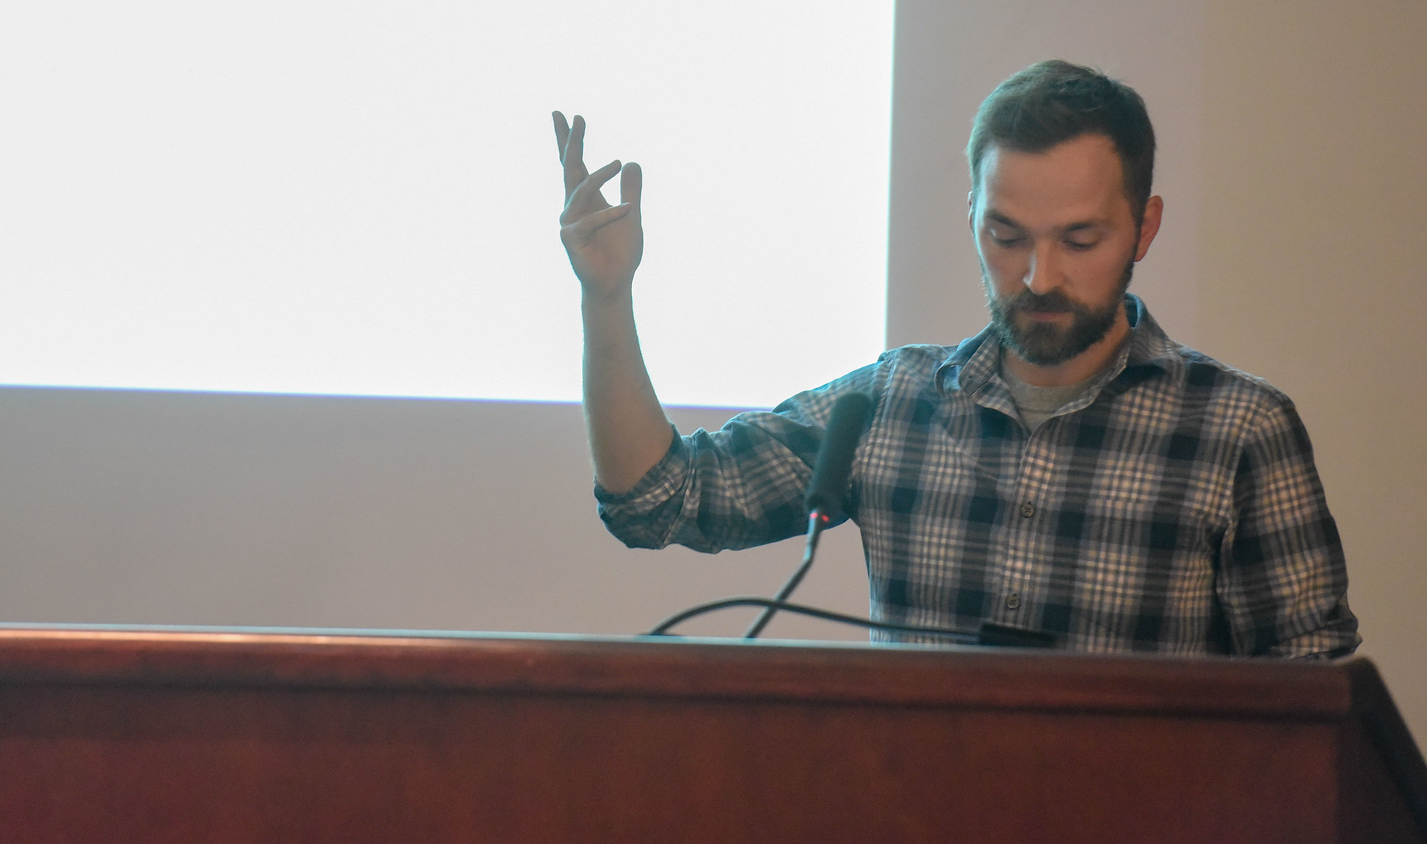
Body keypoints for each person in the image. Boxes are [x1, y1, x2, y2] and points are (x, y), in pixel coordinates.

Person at [553, 59, 1359, 657]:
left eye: (1080, 239)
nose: (1040, 277)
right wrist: (606, 298)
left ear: (1144, 230)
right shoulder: (894, 402)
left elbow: (1309, 708)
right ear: (971, 215)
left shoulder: (1239, 429)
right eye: (1006, 237)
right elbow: (658, 499)